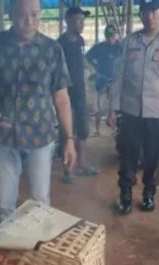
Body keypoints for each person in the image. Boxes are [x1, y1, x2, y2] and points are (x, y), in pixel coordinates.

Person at [0, 0, 77, 223]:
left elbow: (61, 98)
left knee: (40, 201)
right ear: (11, 14)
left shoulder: (52, 50)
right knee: (4, 204)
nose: (29, 21)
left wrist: (69, 138)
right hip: (5, 138)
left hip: (40, 137)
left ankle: (36, 253)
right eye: (23, 15)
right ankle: (6, 251)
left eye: (35, 14)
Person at [109, 0, 159, 215]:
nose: (149, 16)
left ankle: (149, 194)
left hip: (157, 114)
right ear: (140, 15)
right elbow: (118, 76)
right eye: (145, 12)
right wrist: (113, 108)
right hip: (130, 111)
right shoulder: (130, 42)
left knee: (152, 157)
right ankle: (125, 197)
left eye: (154, 12)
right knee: (128, 155)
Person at [58, 6, 97, 183]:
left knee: (83, 130)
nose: (82, 24)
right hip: (66, 92)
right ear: (68, 21)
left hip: (80, 91)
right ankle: (68, 170)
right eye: (79, 20)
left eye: (83, 20)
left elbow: (80, 64)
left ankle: (82, 165)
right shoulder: (60, 44)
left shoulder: (80, 41)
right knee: (67, 131)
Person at [86, 25, 122, 136]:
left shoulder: (121, 47)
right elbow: (88, 57)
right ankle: (97, 130)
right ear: (105, 36)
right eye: (108, 36)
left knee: (114, 107)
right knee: (99, 107)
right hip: (102, 79)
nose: (110, 39)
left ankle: (114, 129)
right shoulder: (99, 47)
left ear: (116, 35)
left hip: (115, 80)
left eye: (112, 36)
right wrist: (95, 66)